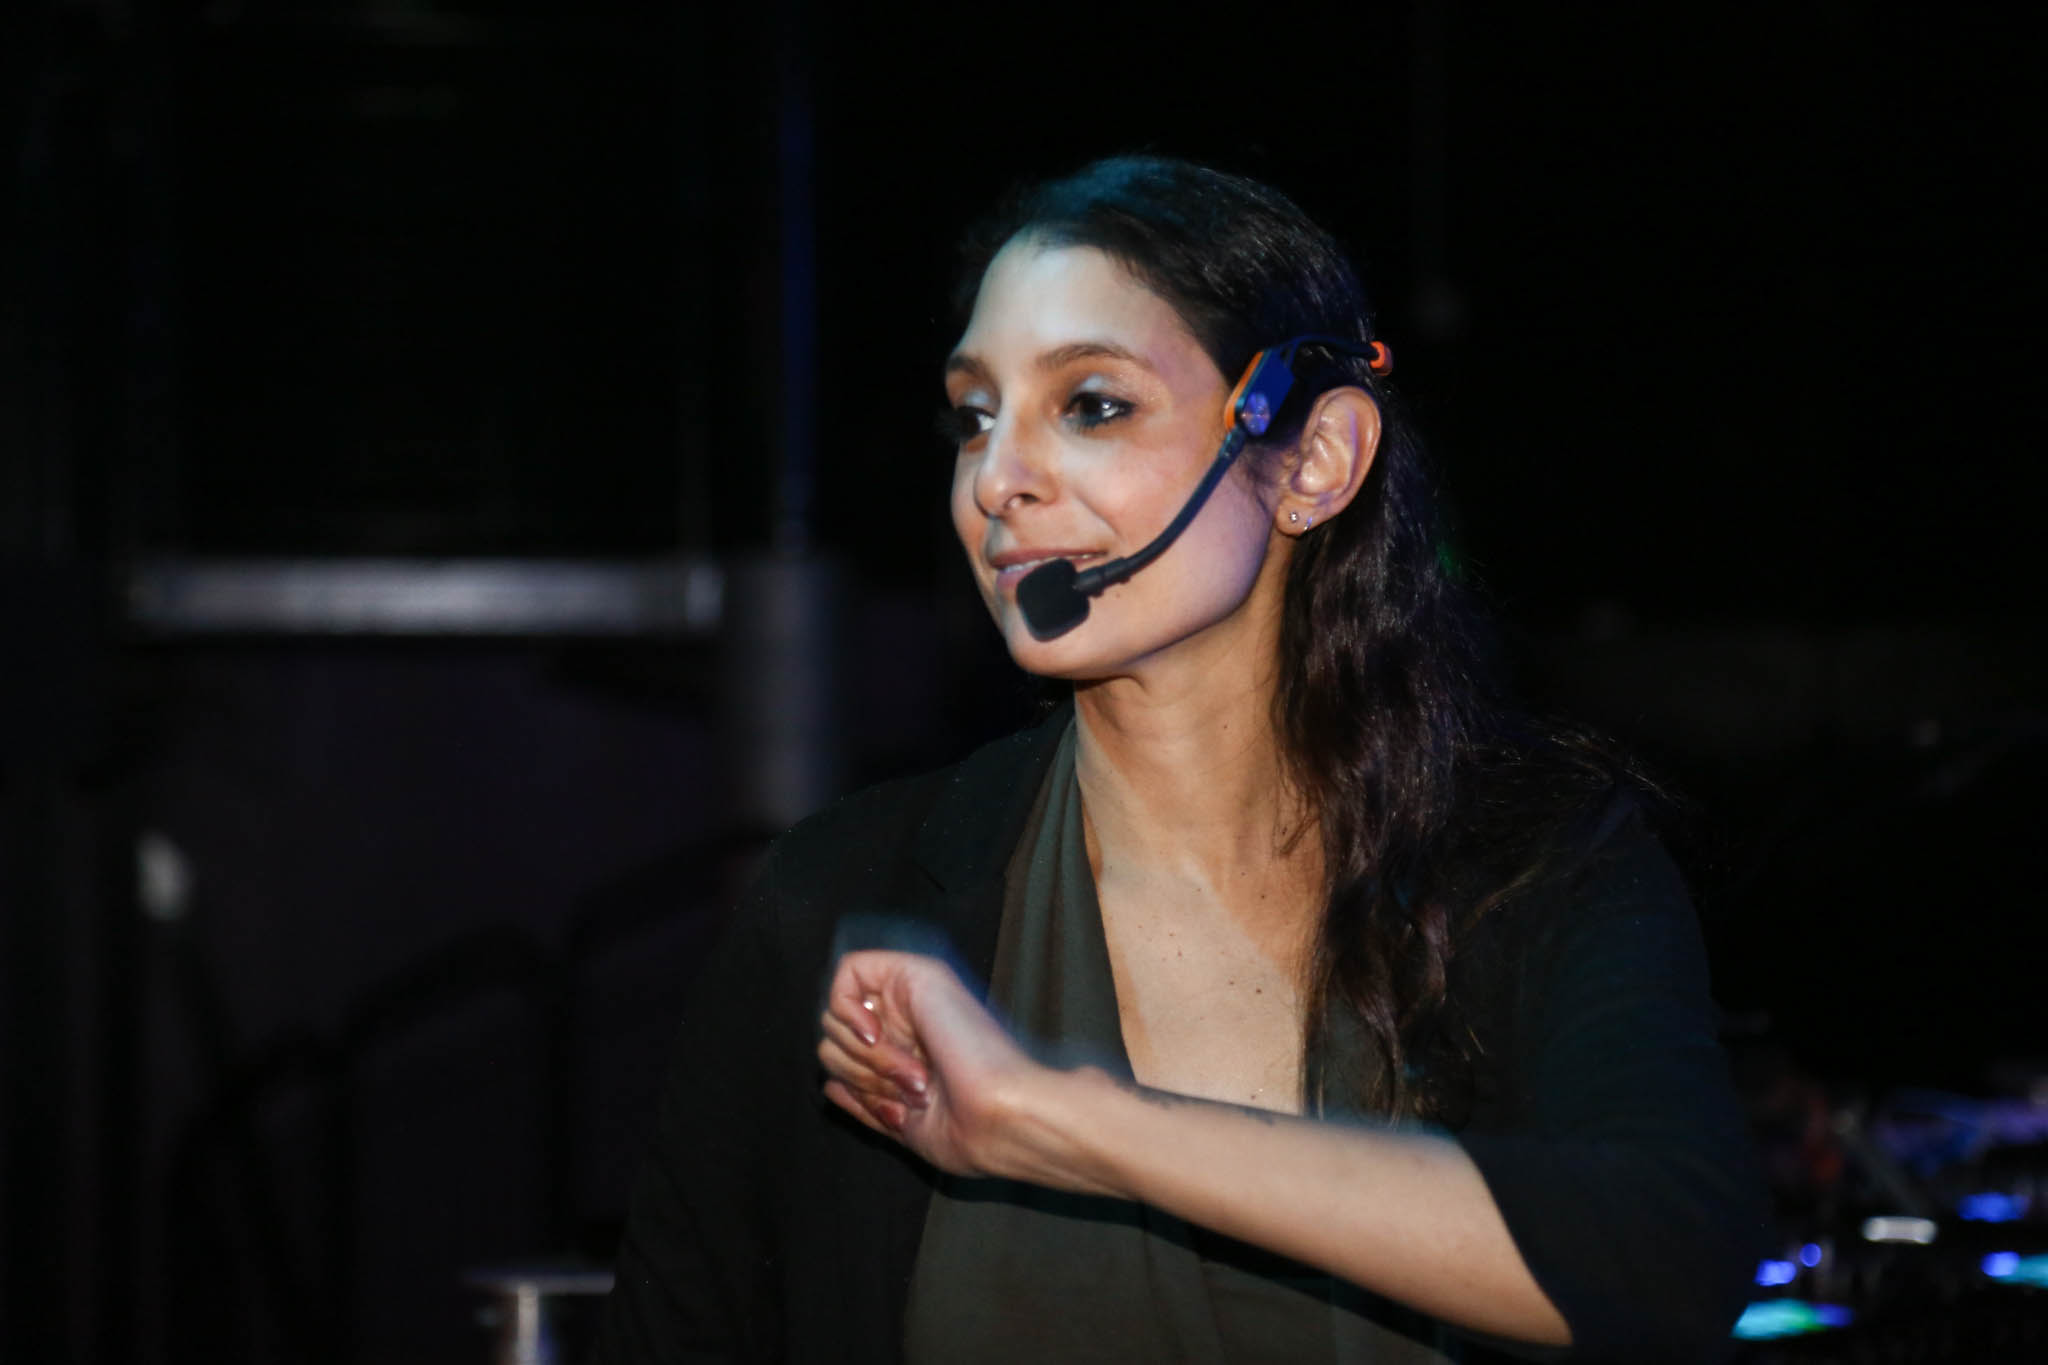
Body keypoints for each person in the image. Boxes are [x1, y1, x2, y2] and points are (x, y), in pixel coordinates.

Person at [593, 156, 1767, 1364]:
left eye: (1092, 405)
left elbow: (1668, 1260)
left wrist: (1063, 1124)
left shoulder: (1532, 865)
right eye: (973, 416)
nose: (996, 481)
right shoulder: (841, 895)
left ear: (1313, 460)